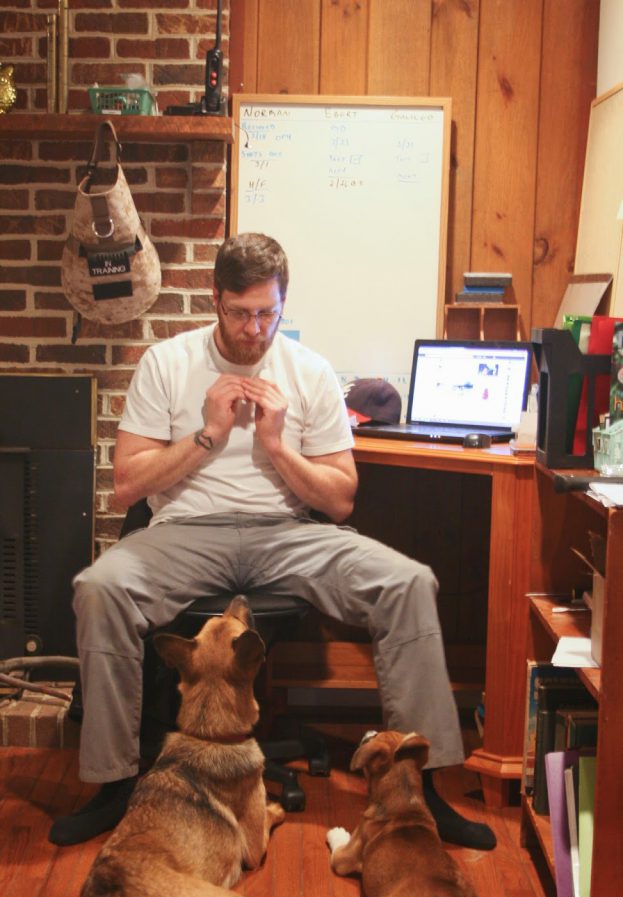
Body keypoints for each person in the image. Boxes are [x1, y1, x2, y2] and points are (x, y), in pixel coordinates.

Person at [49, 232, 496, 851]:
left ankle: (421, 789)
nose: (255, 329)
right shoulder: (167, 363)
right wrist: (208, 434)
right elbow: (127, 486)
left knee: (408, 581)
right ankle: (114, 784)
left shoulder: (308, 374)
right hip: (186, 532)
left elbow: (339, 498)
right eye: (240, 313)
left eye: (268, 313)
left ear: (283, 303)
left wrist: (278, 446)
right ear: (215, 299)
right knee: (99, 588)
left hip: (289, 533)